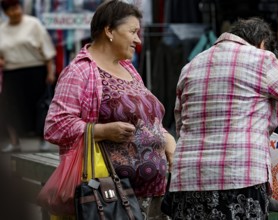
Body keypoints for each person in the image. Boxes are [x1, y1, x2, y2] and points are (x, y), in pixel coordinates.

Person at [170, 17, 278, 219]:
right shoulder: (261, 60)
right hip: (240, 178)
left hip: (187, 180)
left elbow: (181, 125)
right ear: (262, 44)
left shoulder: (190, 67)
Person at [44, 0, 176, 219]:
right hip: (111, 198)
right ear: (109, 30)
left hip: (151, 196)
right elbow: (55, 125)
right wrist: (102, 131)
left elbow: (146, 121)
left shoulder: (129, 69)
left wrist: (166, 138)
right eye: (133, 31)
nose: (138, 39)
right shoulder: (80, 72)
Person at [0, 0, 56, 152]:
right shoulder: (2, 29)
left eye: (16, 7)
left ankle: (42, 140)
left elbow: (47, 50)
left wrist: (50, 72)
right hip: (11, 73)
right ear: (5, 12)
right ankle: (14, 142)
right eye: (10, 9)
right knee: (8, 107)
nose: (15, 11)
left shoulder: (33, 24)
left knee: (38, 107)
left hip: (35, 71)